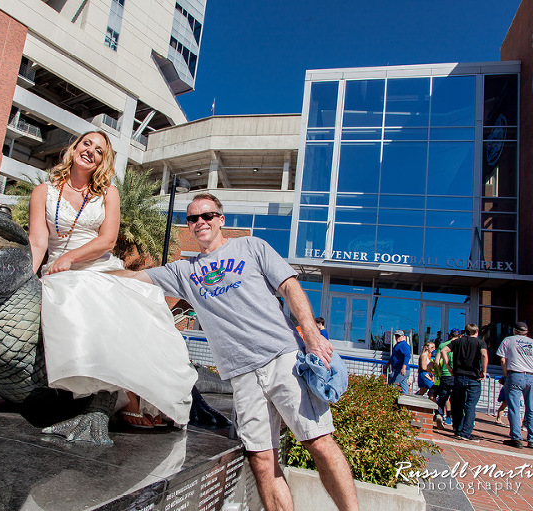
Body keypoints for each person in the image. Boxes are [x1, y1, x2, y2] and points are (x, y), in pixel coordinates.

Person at [113, 193, 359, 511]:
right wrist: (79, 273)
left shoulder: (251, 247)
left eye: (207, 215)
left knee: (320, 443)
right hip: (241, 376)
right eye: (193, 218)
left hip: (281, 358)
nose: (200, 221)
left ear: (221, 220)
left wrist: (311, 334)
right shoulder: (183, 271)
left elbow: (289, 286)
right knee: (261, 460)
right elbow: (133, 277)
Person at [28, 130, 196, 429]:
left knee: (140, 296)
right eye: (86, 144)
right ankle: (120, 394)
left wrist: (71, 258)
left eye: (99, 150)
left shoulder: (108, 194)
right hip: (57, 272)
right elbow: (38, 242)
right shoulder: (43, 192)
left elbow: (107, 241)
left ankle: (137, 393)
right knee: (80, 292)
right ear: (75, 147)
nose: (91, 151)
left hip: (97, 265)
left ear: (103, 161)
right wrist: (27, 276)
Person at [496, 321, 533, 449]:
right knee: (531, 408)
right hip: (532, 377)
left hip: (515, 374)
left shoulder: (508, 340)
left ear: (515, 330)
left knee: (514, 407)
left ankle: (516, 438)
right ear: (527, 332)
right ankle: (532, 440)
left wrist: (506, 374)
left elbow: (503, 359)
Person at [441, 324, 487, 441]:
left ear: (465, 332)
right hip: (473, 376)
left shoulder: (458, 342)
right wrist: (484, 371)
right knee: (470, 405)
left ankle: (457, 428)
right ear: (476, 332)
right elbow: (484, 355)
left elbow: (443, 350)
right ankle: (466, 432)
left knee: (457, 403)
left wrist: (448, 366)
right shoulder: (480, 343)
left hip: (459, 376)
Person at [434, 328, 460, 429]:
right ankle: (453, 420)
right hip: (456, 375)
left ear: (450, 335)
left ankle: (439, 414)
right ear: (459, 336)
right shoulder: (460, 344)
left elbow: (436, 362)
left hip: (445, 374)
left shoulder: (442, 345)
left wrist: (441, 371)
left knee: (443, 397)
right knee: (455, 399)